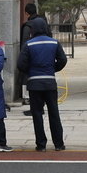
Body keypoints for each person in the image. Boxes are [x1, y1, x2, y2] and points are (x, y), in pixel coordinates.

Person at [17, 16, 67, 151]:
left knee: (37, 114)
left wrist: (31, 71)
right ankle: (59, 144)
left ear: (33, 29)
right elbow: (62, 60)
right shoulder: (54, 43)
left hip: (34, 84)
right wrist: (53, 69)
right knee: (54, 113)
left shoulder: (29, 44)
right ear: (45, 28)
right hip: (50, 83)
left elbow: (20, 64)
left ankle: (41, 144)